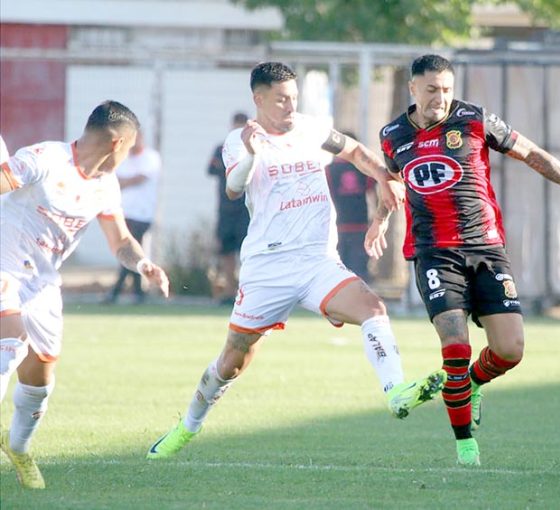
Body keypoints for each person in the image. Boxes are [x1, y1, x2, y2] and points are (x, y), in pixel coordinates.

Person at [146, 62, 446, 460]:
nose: (290, 106)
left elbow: (355, 151)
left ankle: (395, 392)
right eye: (281, 99)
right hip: (268, 267)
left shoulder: (309, 127)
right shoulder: (239, 141)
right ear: (259, 99)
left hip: (317, 261)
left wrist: (382, 176)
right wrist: (253, 154)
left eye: (294, 98)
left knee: (373, 308)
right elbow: (235, 188)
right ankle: (188, 426)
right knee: (233, 360)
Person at [366, 54, 560, 466]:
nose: (440, 98)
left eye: (446, 90)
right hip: (434, 253)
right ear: (412, 89)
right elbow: (391, 180)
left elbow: (532, 153)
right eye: (431, 90)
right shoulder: (392, 135)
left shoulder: (474, 120)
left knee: (510, 349)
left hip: (485, 249)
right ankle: (466, 448)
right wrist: (381, 219)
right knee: (455, 346)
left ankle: (472, 383)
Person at [0, 101, 170, 489]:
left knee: (40, 378)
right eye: (129, 147)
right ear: (117, 142)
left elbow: (121, 240)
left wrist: (144, 265)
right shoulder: (45, 158)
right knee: (9, 341)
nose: (128, 154)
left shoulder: (105, 186)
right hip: (3, 264)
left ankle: (18, 447)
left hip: (42, 285)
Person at [104, 130, 162, 304]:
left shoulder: (151, 157)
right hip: (124, 212)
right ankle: (138, 293)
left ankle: (115, 291)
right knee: (134, 252)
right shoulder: (124, 158)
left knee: (129, 251)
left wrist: (123, 182)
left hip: (143, 213)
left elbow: (139, 178)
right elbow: (112, 178)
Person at [208, 113, 251, 304]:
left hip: (245, 210)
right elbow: (211, 169)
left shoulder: (252, 151)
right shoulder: (222, 148)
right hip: (225, 209)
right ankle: (229, 290)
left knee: (246, 252)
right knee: (226, 251)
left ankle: (246, 291)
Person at [326, 131, 375, 282]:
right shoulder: (364, 169)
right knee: (359, 271)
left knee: (340, 273)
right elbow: (372, 193)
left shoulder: (329, 170)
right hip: (359, 226)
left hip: (338, 227)